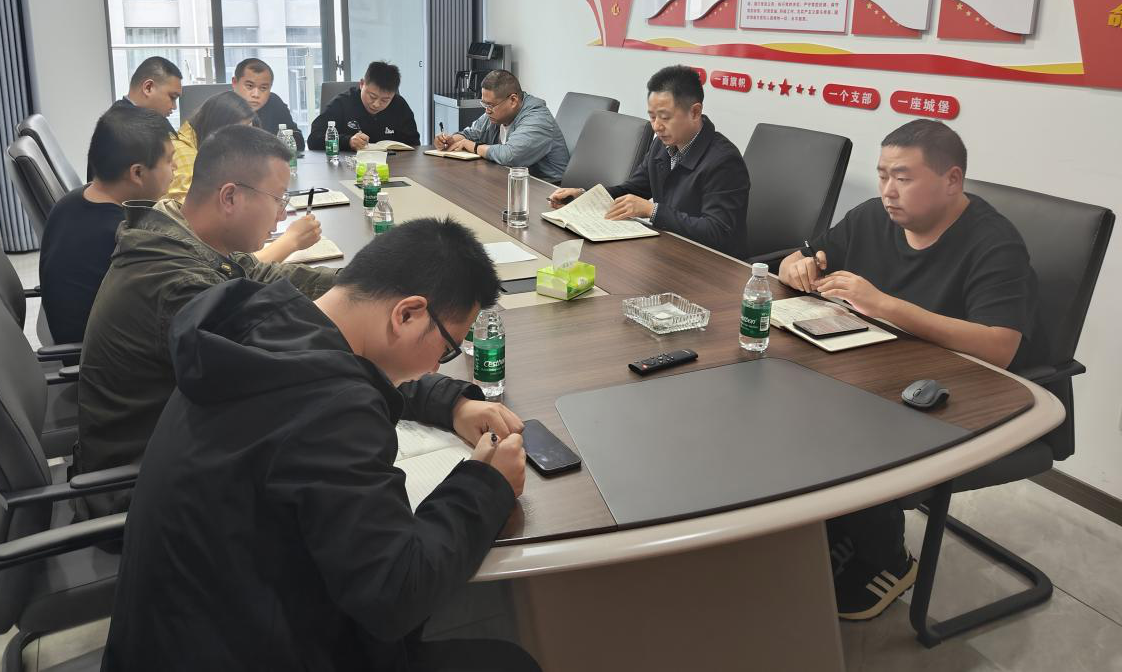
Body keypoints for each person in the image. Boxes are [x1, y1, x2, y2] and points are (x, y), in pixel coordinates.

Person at [103, 218, 539, 672]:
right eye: (447, 348)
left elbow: (346, 366)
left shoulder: (254, 326)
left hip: (174, 637)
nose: (435, 366)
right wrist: (486, 484)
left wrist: (452, 404)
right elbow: (396, 594)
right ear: (407, 314)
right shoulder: (332, 410)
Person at [778, 119, 1045, 622]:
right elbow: (806, 256)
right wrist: (796, 265)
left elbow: (1000, 348)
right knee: (790, 400)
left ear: (952, 180)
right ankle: (835, 527)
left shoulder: (994, 243)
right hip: (880, 369)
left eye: (903, 178)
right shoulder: (872, 217)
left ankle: (886, 558)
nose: (887, 191)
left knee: (844, 427)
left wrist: (884, 305)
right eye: (883, 175)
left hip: (963, 395)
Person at [75, 125, 333, 513]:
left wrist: (362, 283)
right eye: (278, 199)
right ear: (230, 197)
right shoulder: (180, 285)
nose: (283, 213)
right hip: (141, 490)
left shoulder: (180, 231)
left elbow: (261, 274)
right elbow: (283, 368)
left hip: (174, 446)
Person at [547, 65, 749, 256]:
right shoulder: (662, 144)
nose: (656, 126)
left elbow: (717, 231)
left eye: (665, 117)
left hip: (710, 264)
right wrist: (585, 197)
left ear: (695, 112)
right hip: (668, 250)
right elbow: (634, 188)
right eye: (652, 117)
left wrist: (652, 211)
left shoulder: (724, 161)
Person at [39, 106, 174, 344]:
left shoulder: (69, 202)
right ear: (137, 173)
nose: (175, 168)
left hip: (86, 340)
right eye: (170, 160)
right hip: (106, 357)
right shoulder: (125, 238)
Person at [435, 70, 570, 183]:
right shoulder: (496, 113)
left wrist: (473, 146)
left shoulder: (538, 118)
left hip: (547, 191)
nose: (487, 110)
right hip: (511, 180)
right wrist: (451, 140)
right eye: (484, 104)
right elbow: (471, 134)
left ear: (513, 100)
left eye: (490, 105)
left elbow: (510, 156)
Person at [165, 90, 257, 203]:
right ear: (217, 128)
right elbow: (192, 207)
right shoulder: (184, 153)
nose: (243, 142)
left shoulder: (202, 148)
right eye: (239, 133)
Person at [308, 61, 421, 151]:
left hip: (390, 166)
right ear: (362, 84)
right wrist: (348, 141)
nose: (376, 104)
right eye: (372, 96)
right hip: (349, 167)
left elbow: (414, 144)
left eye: (385, 100)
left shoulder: (399, 105)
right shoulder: (341, 103)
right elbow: (314, 139)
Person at [231, 56, 306, 149]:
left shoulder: (274, 102)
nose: (256, 94)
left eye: (263, 88)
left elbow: (298, 141)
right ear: (234, 82)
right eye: (249, 86)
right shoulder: (220, 106)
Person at [116, 56, 182, 118]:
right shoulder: (148, 124)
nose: (174, 107)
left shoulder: (114, 116)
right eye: (172, 97)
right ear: (148, 88)